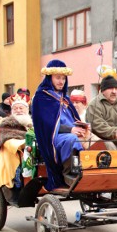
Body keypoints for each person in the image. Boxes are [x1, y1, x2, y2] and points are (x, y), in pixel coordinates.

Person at [31, 59, 89, 191]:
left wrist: (83, 127)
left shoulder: (65, 98)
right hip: (53, 137)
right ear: (49, 77)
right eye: (58, 78)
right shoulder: (41, 97)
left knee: (94, 140)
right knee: (72, 139)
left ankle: (91, 172)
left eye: (63, 78)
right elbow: (47, 125)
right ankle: (70, 173)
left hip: (71, 133)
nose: (61, 81)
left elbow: (74, 119)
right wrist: (70, 130)